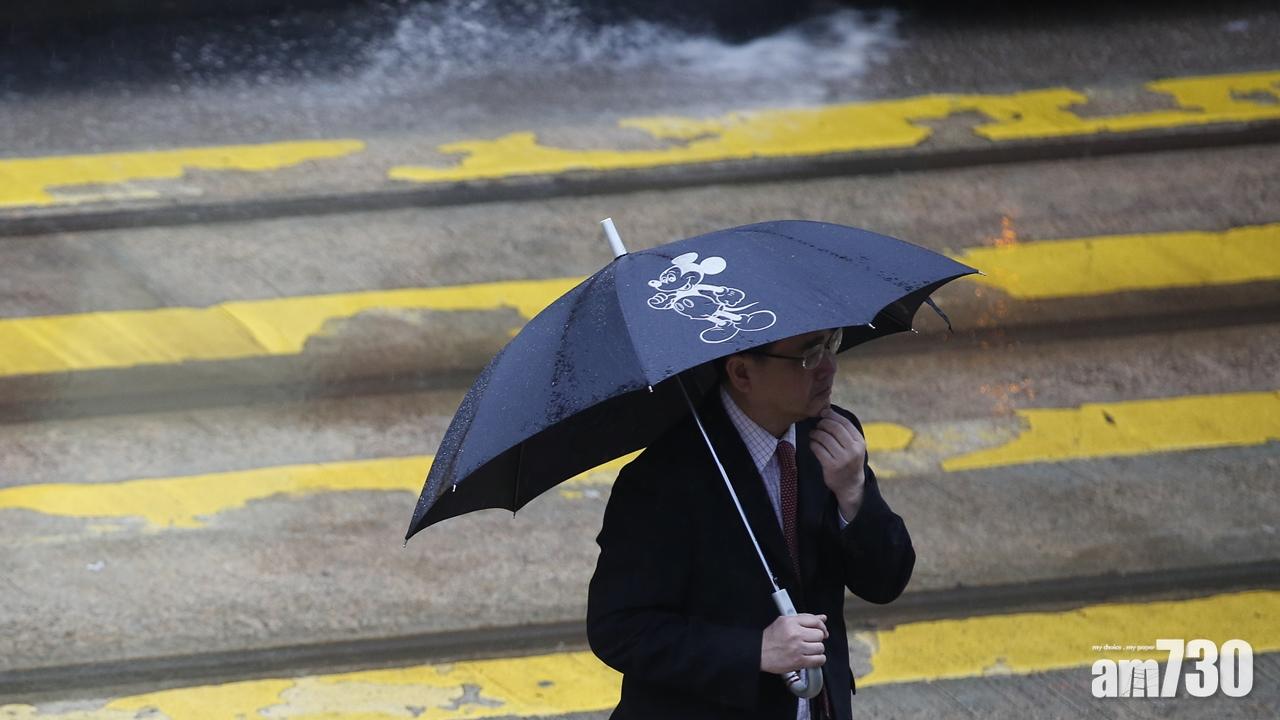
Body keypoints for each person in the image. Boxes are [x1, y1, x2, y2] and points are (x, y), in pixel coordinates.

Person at [587, 327, 916, 720]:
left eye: (832, 344)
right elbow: (619, 629)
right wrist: (755, 650)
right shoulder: (663, 481)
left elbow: (884, 581)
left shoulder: (833, 438)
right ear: (742, 373)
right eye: (808, 356)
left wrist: (854, 492)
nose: (829, 367)